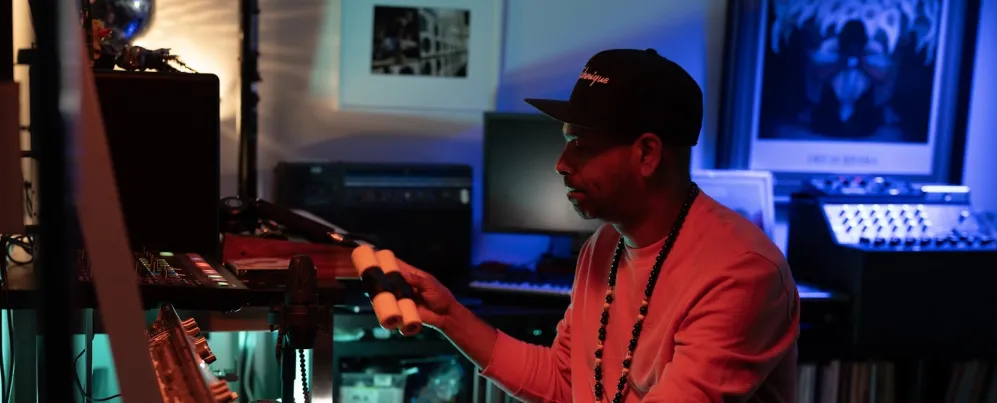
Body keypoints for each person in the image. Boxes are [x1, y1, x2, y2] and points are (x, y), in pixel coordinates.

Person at [395, 49, 800, 402]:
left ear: (647, 154)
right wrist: (449, 316)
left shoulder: (741, 273)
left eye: (583, 146)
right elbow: (564, 381)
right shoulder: (604, 245)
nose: (561, 164)